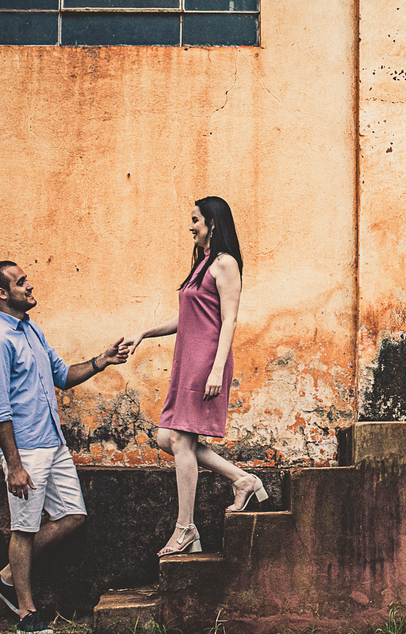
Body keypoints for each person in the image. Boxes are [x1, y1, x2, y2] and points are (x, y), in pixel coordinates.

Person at [0, 260, 129, 634]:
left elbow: (62, 376)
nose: (29, 286)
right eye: (21, 282)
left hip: (53, 443)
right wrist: (14, 465)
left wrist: (101, 361)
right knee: (23, 529)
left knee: (73, 515)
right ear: (2, 292)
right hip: (25, 449)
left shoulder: (32, 331)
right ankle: (27, 614)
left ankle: (8, 576)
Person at [124, 196, 267, 558]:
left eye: (195, 220)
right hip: (187, 361)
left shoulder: (225, 264)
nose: (190, 226)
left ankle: (185, 528)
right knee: (166, 438)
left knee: (182, 441)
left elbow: (229, 320)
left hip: (206, 362)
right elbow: (187, 319)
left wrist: (217, 369)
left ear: (213, 224)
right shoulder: (202, 263)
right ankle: (243, 479)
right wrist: (145, 332)